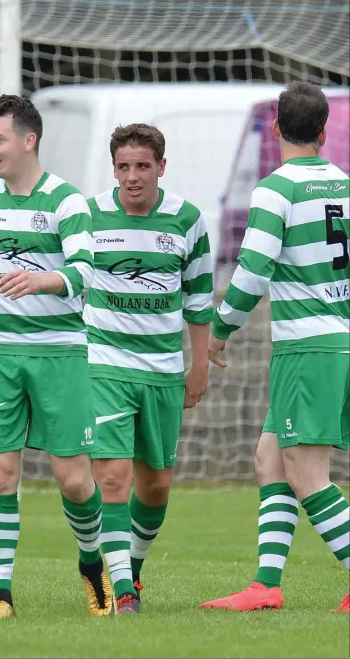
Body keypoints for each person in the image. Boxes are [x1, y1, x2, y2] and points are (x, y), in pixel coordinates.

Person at [200, 81, 350, 614]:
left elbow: (254, 269)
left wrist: (219, 329)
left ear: (278, 131)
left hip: (308, 346)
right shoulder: (345, 184)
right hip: (338, 341)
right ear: (325, 132)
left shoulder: (275, 190)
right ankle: (266, 585)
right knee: (269, 459)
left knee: (308, 473)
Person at [0, 95, 114, 619]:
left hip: (59, 354)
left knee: (75, 480)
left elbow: (86, 273)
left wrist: (41, 280)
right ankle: (0, 596)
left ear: (28, 140)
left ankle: (92, 566)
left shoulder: (67, 202)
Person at [84, 123, 213, 613]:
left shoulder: (188, 219)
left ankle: (130, 568)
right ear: (113, 168)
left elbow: (200, 299)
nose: (132, 177)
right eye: (123, 167)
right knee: (113, 478)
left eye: (142, 166)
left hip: (162, 370)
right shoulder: (91, 216)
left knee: (155, 486)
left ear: (162, 166)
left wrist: (198, 365)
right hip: (103, 365)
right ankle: (122, 592)